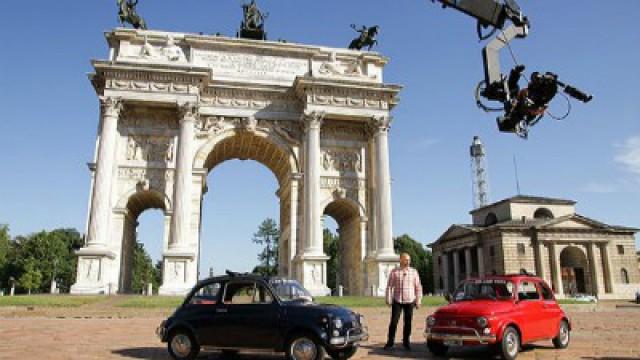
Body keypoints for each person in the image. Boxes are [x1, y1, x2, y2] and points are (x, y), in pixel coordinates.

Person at [384, 253, 423, 351]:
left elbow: (418, 287)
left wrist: (418, 300)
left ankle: (406, 342)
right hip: (397, 300)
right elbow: (389, 287)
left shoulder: (414, 272)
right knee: (393, 322)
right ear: (401, 260)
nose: (408, 261)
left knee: (408, 323)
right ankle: (390, 342)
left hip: (410, 300)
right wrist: (388, 299)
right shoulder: (394, 272)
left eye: (409, 260)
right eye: (406, 259)